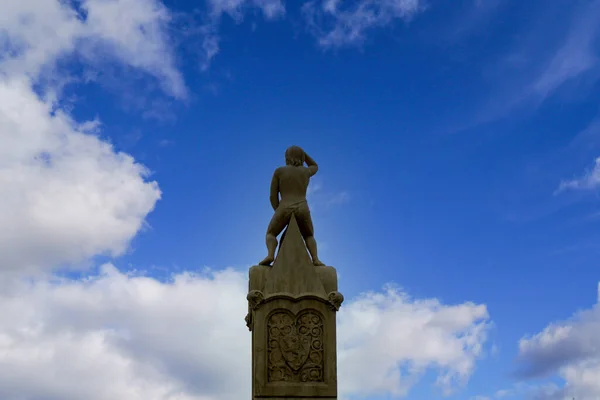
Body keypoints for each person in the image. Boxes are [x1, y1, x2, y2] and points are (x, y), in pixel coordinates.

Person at [259, 146, 325, 267]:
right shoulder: (305, 172)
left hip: (284, 206)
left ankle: (270, 255)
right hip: (302, 207)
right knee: (309, 235)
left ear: (287, 157)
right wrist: (304, 156)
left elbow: (273, 196)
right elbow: (315, 166)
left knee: (271, 234)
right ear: (301, 157)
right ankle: (315, 259)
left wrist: (278, 211)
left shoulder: (279, 171)